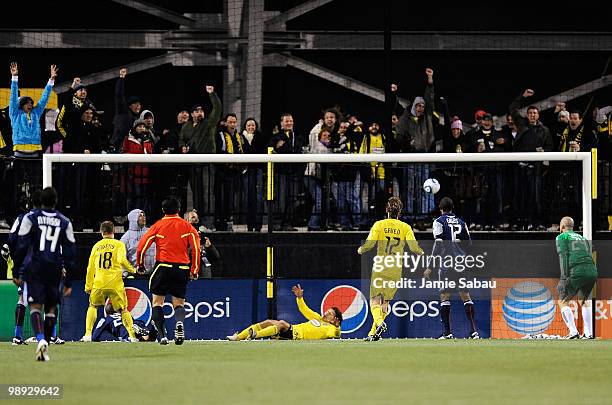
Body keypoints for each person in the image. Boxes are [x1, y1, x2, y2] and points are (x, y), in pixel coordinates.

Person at [12, 187, 75, 361]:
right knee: (51, 308)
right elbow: (70, 253)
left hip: (35, 267)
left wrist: (16, 270)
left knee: (34, 306)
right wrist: (69, 281)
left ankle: (40, 339)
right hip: (54, 268)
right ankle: (46, 342)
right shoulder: (65, 221)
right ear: (55, 201)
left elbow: (21, 246)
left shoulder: (30, 218)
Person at [358, 196, 424, 341]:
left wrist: (361, 249)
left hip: (381, 265)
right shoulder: (405, 227)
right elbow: (414, 247)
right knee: (385, 301)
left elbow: (370, 244)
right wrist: (421, 252)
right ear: (399, 212)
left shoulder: (379, 224)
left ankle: (380, 323)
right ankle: (372, 333)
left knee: (375, 300)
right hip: (395, 268)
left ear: (387, 210)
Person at [136, 197, 200, 345]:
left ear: (163, 210)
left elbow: (142, 246)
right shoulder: (188, 227)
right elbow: (196, 249)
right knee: (179, 303)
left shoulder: (158, 226)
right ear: (179, 210)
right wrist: (194, 269)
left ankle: (162, 334)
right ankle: (179, 323)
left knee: (157, 303)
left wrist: (140, 264)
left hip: (163, 267)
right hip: (182, 268)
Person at [423, 197, 479, 339]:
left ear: (440, 208)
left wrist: (430, 266)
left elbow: (439, 244)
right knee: (465, 294)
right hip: (461, 262)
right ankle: (474, 332)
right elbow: (469, 244)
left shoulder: (439, 222)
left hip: (447, 263)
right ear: (452, 208)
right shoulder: (462, 222)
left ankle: (447, 333)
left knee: (444, 296)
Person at [81, 221, 137, 342]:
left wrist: (88, 286)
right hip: (115, 283)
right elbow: (122, 260)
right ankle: (132, 336)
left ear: (102, 232)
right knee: (123, 310)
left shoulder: (96, 246)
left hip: (99, 282)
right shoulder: (119, 244)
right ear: (114, 231)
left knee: (93, 306)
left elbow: (90, 268)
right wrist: (132, 270)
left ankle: (87, 334)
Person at [227, 284, 341, 341]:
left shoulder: (331, 328)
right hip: (294, 329)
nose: (326, 313)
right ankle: (237, 337)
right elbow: (304, 309)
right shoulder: (317, 317)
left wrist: (337, 327)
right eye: (327, 311)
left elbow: (336, 334)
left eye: (330, 313)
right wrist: (300, 297)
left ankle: (255, 335)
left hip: (298, 336)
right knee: (268, 322)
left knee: (281, 323)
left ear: (334, 319)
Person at [2, 190, 41, 345]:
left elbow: (10, 239)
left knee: (23, 299)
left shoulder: (21, 218)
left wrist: (6, 249)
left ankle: (17, 335)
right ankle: (47, 336)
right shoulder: (45, 219)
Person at [556, 216, 597, 339]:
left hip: (577, 270)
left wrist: (564, 278)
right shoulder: (583, 238)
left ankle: (573, 332)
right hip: (592, 271)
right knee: (584, 301)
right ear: (572, 227)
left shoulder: (562, 237)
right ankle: (589, 334)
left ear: (562, 227)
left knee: (562, 301)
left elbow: (563, 256)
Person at [92, 303, 158, 342]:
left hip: (123, 330)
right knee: (148, 337)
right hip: (135, 323)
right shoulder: (125, 314)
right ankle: (152, 330)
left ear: (107, 313)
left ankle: (139, 334)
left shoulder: (106, 319)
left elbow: (95, 336)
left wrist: (95, 339)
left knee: (133, 339)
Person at [120, 209, 155, 275]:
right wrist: (125, 273)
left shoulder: (151, 232)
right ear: (133, 219)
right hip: (136, 275)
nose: (143, 217)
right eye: (140, 216)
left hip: (153, 274)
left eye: (144, 215)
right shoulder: (125, 237)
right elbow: (122, 259)